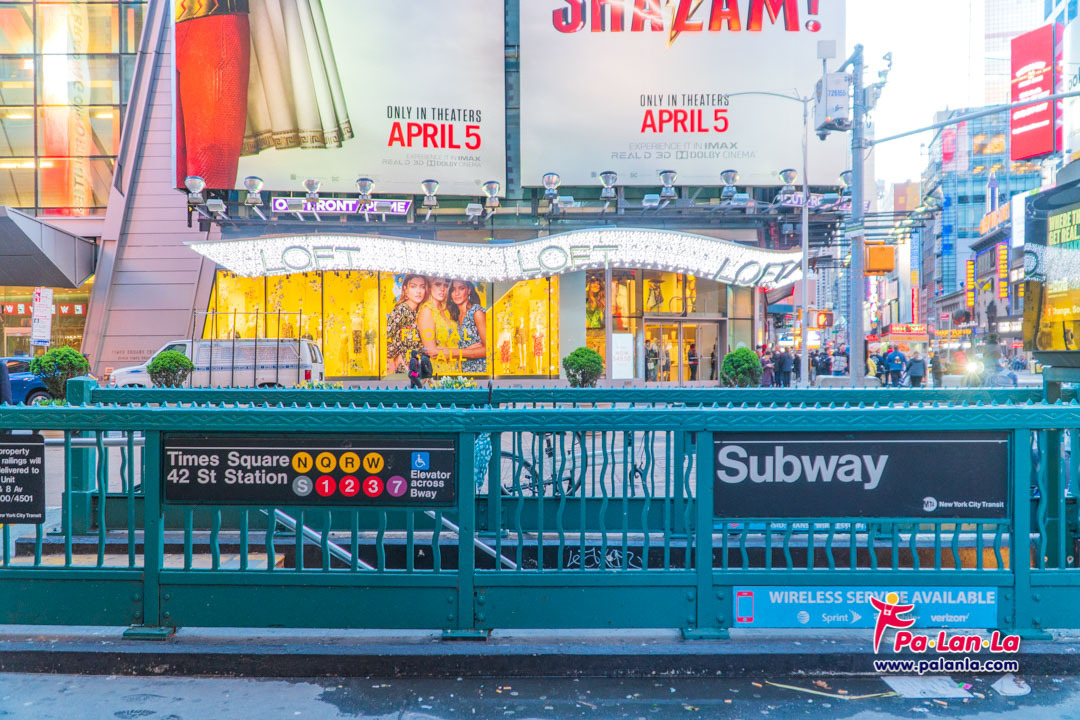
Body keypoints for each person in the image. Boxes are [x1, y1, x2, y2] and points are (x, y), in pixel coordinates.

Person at [417, 277, 465, 376]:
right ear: (429, 286)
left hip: (456, 368)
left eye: (446, 286)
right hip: (439, 370)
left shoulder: (447, 310)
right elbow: (432, 351)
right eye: (438, 284)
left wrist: (463, 351)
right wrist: (462, 352)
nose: (442, 289)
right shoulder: (427, 310)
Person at [385, 274, 426, 374]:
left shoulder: (421, 311)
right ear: (405, 289)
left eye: (422, 287)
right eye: (413, 286)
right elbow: (383, 337)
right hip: (404, 370)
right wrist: (395, 357)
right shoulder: (402, 310)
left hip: (418, 367)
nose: (418, 291)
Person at [448, 280, 487, 373]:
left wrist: (458, 352)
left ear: (468, 290)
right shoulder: (456, 316)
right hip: (464, 371)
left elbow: (489, 349)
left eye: (461, 288)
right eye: (453, 290)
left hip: (480, 371)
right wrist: (466, 350)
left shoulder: (477, 312)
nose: (457, 293)